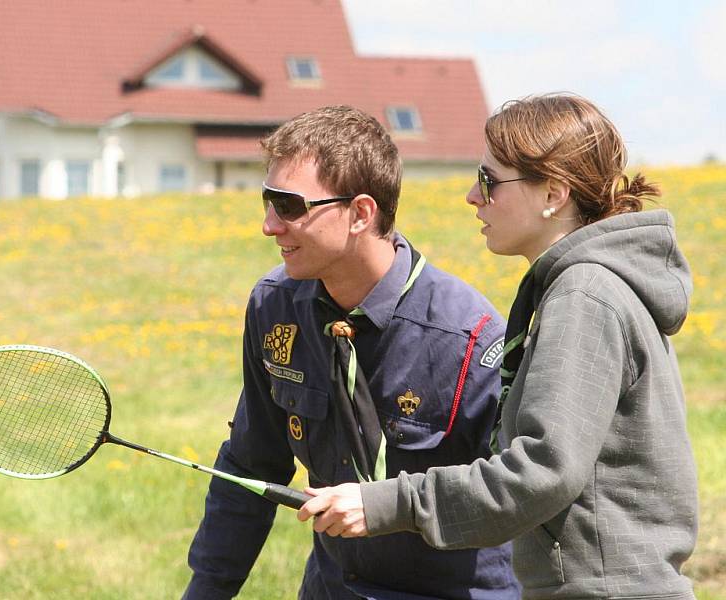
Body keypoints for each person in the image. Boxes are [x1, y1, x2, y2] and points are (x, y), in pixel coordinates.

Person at [298, 94, 699, 599]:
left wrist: (385, 503)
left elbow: (542, 471)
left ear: (553, 192)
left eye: (489, 180)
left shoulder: (585, 295)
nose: (472, 195)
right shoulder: (593, 287)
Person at [181, 105, 520, 599]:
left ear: (361, 213)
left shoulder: (468, 337)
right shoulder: (275, 306)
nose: (269, 225)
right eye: (266, 201)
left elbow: (516, 493)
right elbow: (252, 465)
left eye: (289, 205)